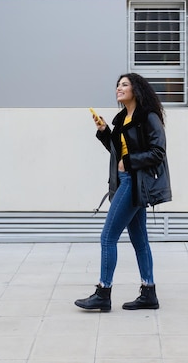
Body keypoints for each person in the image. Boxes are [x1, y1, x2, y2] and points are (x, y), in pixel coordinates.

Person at [75, 73, 172, 312]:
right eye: (117, 85)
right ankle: (149, 292)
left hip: (134, 182)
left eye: (125, 84)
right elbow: (116, 151)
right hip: (125, 180)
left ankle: (103, 293)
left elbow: (158, 152)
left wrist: (129, 163)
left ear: (136, 89)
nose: (119, 88)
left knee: (108, 237)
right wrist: (104, 131)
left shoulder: (147, 117)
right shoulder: (122, 119)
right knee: (140, 240)